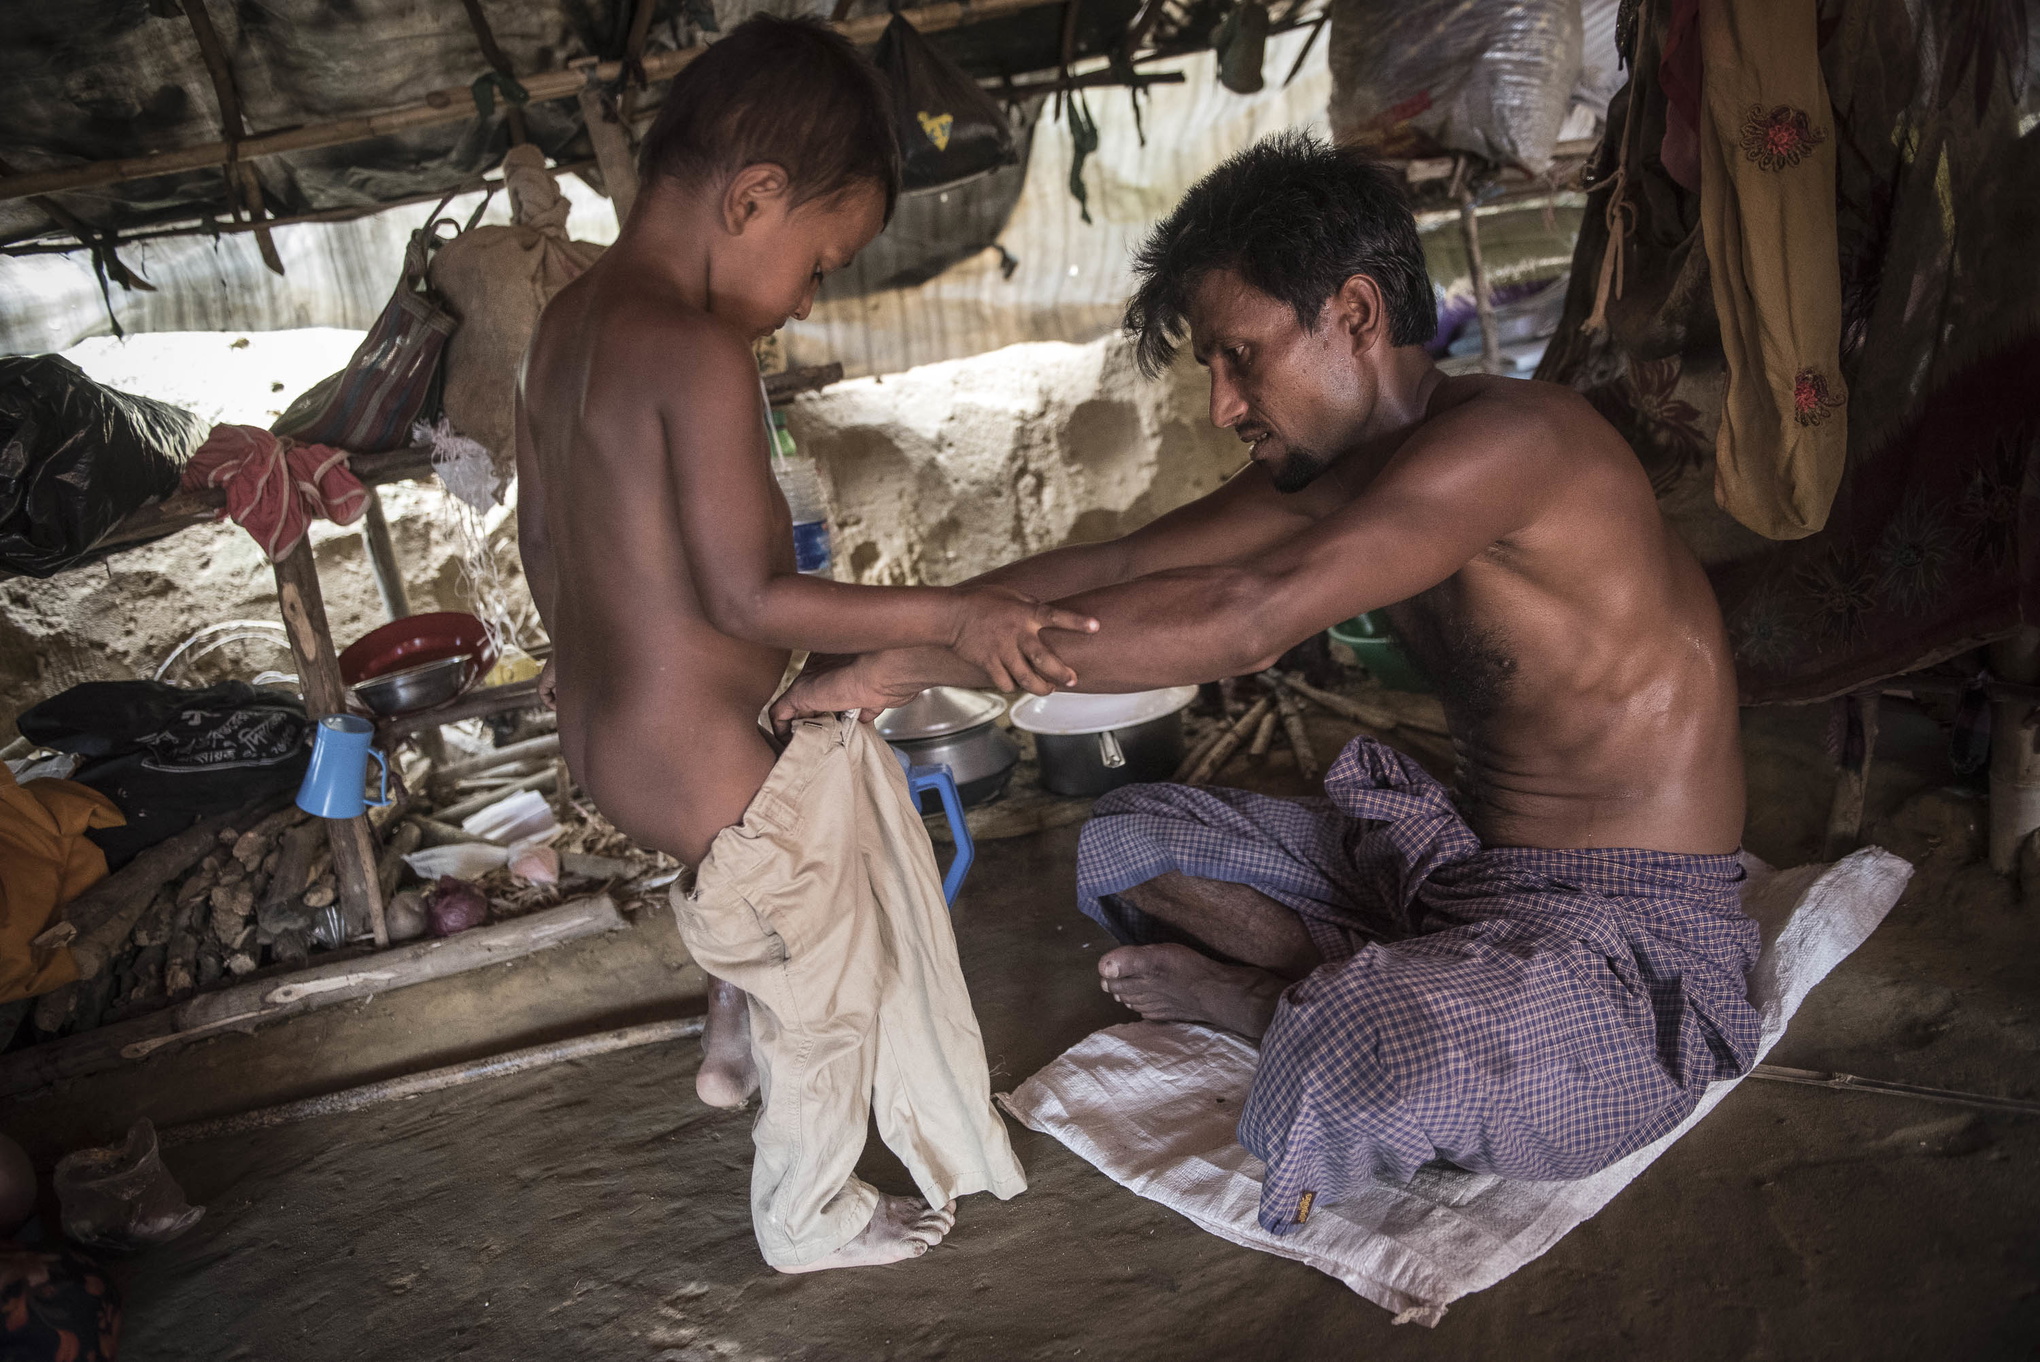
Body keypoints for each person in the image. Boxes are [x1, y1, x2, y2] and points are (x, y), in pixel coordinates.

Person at [775, 130, 1760, 1236]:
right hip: (1462, 882)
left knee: (1385, 1053)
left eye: (1240, 356)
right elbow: (1120, 566)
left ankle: (1285, 1004)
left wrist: (911, 661)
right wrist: (897, 638)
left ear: (1353, 312)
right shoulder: (1345, 473)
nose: (1222, 405)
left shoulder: (1517, 444)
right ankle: (1339, 987)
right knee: (1131, 836)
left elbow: (1247, 619)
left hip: (1626, 942)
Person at [516, 15, 1080, 1271]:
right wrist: (949, 613)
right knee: (828, 979)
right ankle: (807, 1214)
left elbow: (547, 552)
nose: (811, 295)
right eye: (821, 260)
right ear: (755, 196)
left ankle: (730, 1022)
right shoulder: (703, 350)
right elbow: (749, 599)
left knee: (766, 887)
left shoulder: (567, 331)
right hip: (711, 765)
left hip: (613, 750)